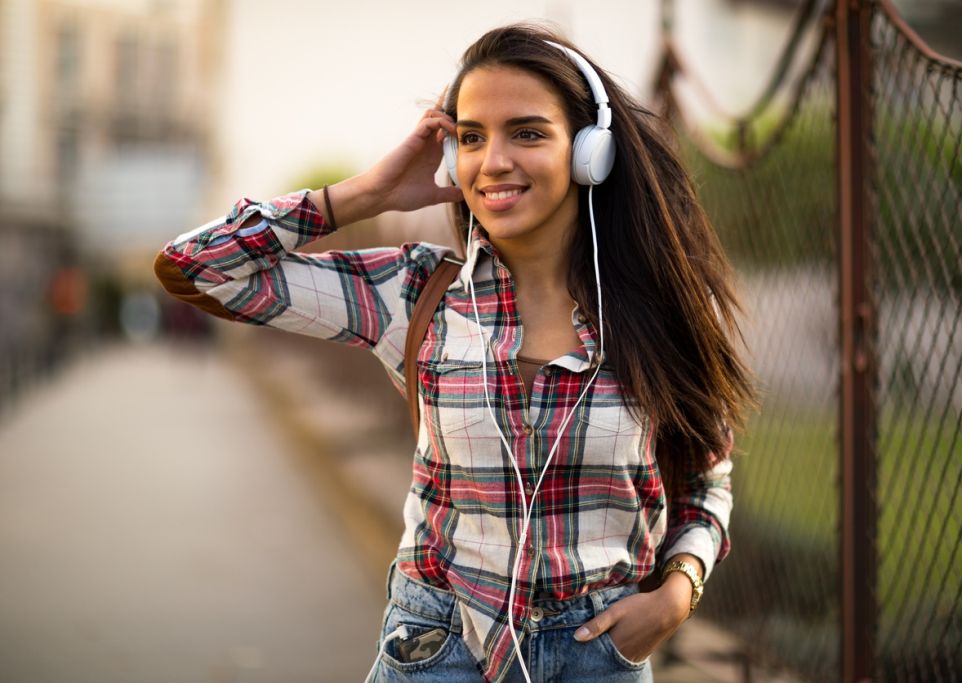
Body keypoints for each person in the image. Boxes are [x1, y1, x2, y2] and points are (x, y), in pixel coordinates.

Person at [154, 23, 755, 683]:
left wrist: (678, 590)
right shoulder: (412, 293)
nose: (492, 160)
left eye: (526, 132)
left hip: (600, 656)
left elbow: (706, 476)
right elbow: (197, 269)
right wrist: (368, 194)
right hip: (436, 650)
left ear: (591, 153)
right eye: (471, 137)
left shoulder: (652, 311)